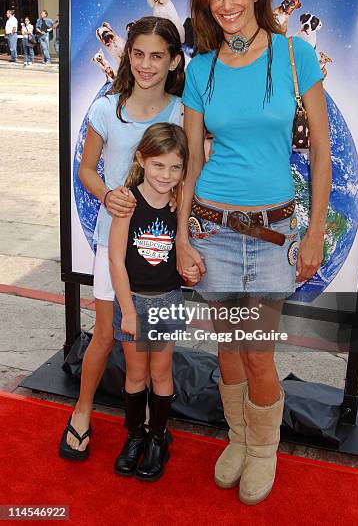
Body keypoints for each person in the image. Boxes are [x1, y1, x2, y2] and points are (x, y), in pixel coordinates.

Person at [177, 0, 331, 505]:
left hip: (273, 234)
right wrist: (181, 235)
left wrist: (314, 230)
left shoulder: (295, 56)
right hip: (212, 228)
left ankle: (264, 451)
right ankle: (239, 439)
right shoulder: (201, 67)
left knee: (257, 349)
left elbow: (320, 154)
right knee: (226, 346)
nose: (227, 5)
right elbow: (192, 162)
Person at [59, 16, 187, 460]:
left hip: (159, 251)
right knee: (107, 335)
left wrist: (179, 211)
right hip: (113, 242)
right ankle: (82, 411)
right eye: (138, 54)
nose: (146, 64)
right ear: (127, 57)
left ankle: (152, 431)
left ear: (173, 61)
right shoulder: (106, 108)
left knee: (156, 346)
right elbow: (87, 169)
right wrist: (108, 194)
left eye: (157, 56)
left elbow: (190, 172)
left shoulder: (183, 111)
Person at [109, 123, 199, 480]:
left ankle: (158, 438)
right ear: (141, 159)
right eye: (159, 165)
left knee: (161, 374)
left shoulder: (179, 205)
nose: (167, 174)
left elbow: (185, 255)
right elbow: (116, 260)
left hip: (168, 300)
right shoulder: (128, 202)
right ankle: (135, 436)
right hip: (133, 302)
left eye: (175, 167)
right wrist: (128, 311)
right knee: (135, 374)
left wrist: (191, 272)